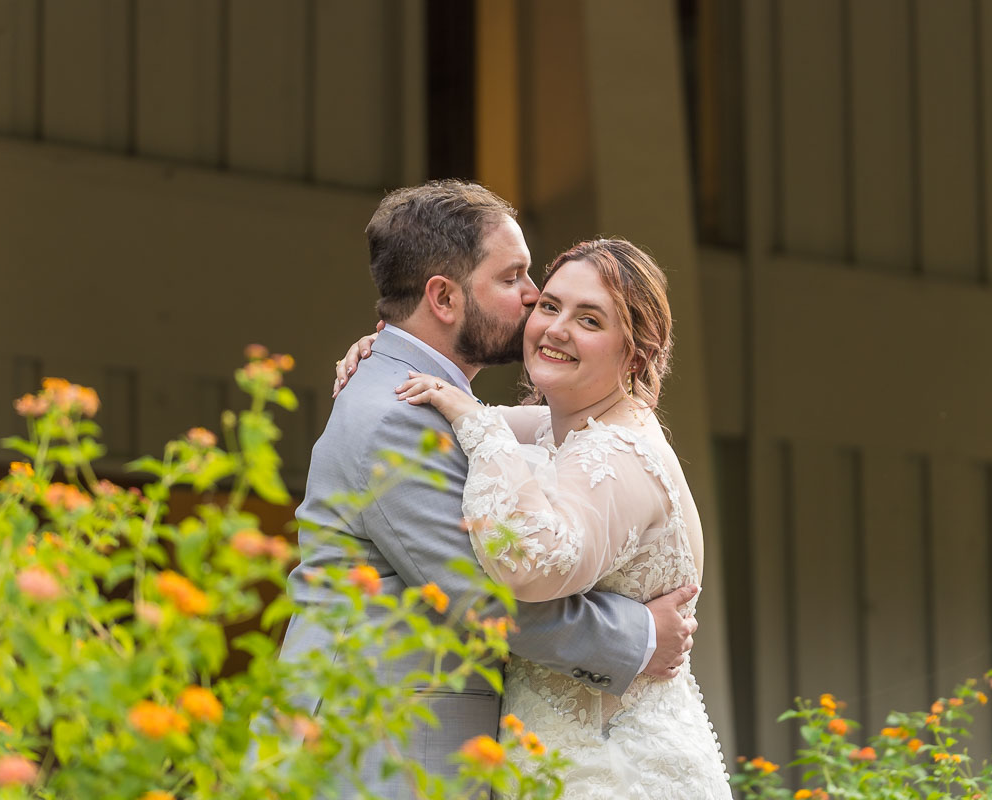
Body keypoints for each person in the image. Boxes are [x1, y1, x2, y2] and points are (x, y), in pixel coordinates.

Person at [280, 181, 700, 799]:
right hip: (378, 749)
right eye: (514, 279)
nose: (533, 301)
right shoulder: (399, 416)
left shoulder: (442, 405)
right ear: (444, 298)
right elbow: (483, 599)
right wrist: (638, 637)